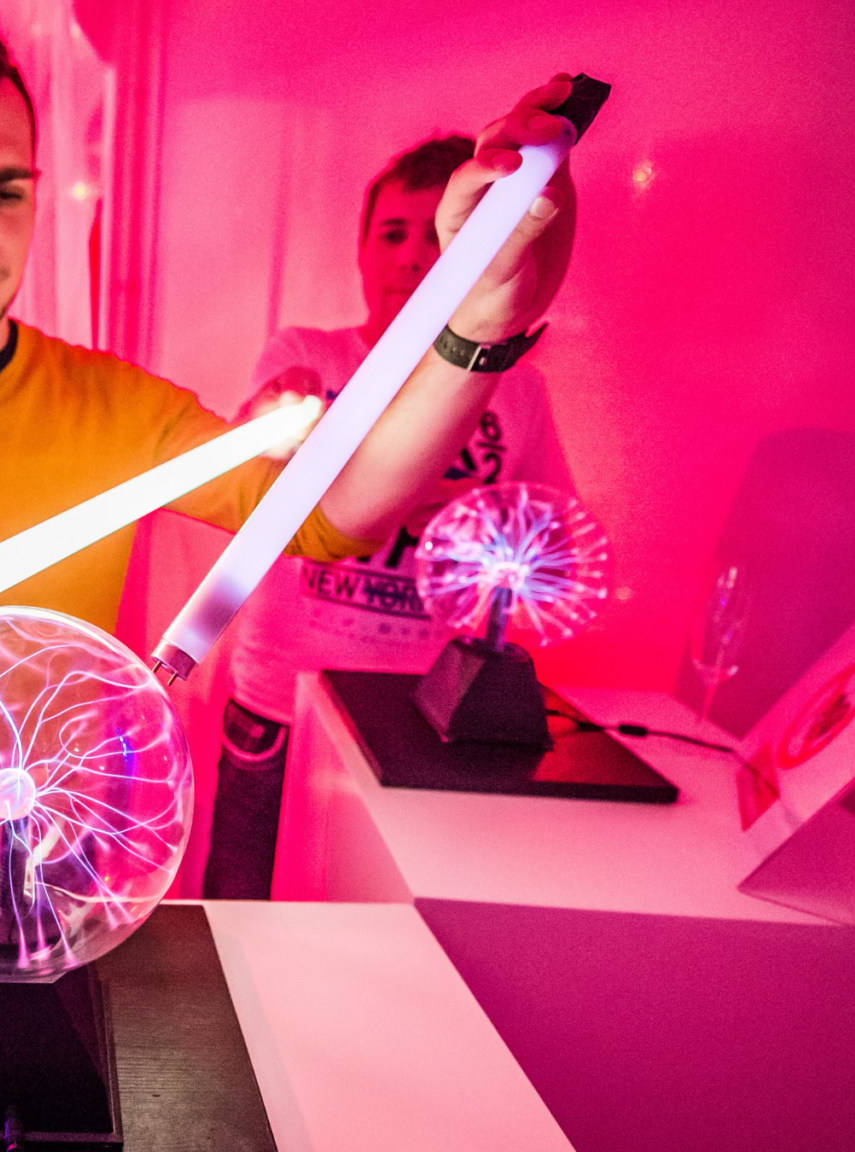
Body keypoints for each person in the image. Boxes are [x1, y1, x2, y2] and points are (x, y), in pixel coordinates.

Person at [0, 22, 582, 932]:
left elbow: (329, 518)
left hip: (56, 863)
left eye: (7, 191)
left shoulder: (118, 409)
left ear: (38, 194)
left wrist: (482, 330)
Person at [202, 136, 579, 900]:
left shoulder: (517, 391)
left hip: (422, 718)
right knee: (236, 914)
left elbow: (555, 539)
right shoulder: (305, 353)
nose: (412, 257)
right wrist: (264, 422)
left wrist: (465, 512)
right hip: (279, 709)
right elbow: (245, 486)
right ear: (360, 251)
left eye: (438, 236)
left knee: (378, 925)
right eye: (391, 234)